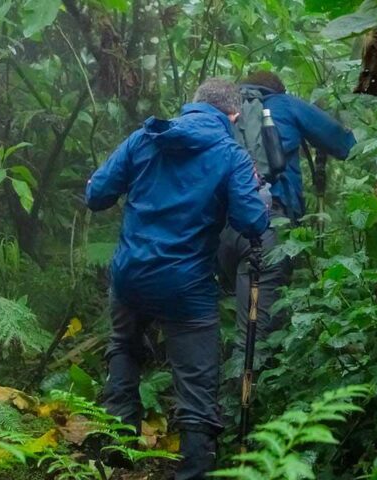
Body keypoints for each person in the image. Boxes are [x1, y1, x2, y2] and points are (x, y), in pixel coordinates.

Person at [85, 78, 270, 479]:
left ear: (193, 105)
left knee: (123, 346)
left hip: (130, 273)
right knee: (195, 381)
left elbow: (96, 194)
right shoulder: (230, 155)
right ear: (233, 116)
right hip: (185, 286)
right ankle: (193, 471)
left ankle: (117, 451)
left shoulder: (145, 138)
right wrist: (261, 199)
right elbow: (251, 222)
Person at [218, 70, 356, 357]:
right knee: (257, 334)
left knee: (235, 320)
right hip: (267, 224)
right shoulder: (284, 105)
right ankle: (245, 398)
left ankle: (220, 391)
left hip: (218, 231)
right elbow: (346, 146)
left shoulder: (219, 112)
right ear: (276, 90)